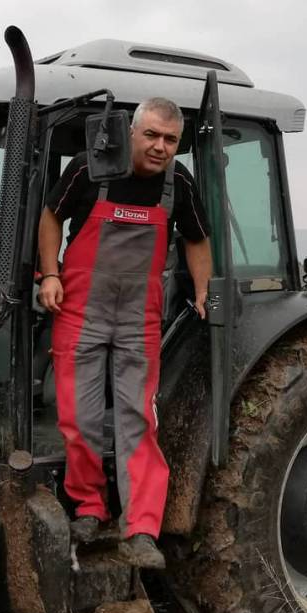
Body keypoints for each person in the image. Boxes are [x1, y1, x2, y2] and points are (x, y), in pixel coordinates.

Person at [37, 97, 213, 569]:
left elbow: (197, 238)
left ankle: (141, 528)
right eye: (151, 135)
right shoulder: (88, 168)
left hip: (139, 320)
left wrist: (202, 292)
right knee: (79, 419)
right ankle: (90, 508)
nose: (160, 147)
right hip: (80, 312)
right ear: (130, 131)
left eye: (170, 140)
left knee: (139, 421)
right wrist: (49, 274)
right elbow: (51, 215)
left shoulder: (178, 184)